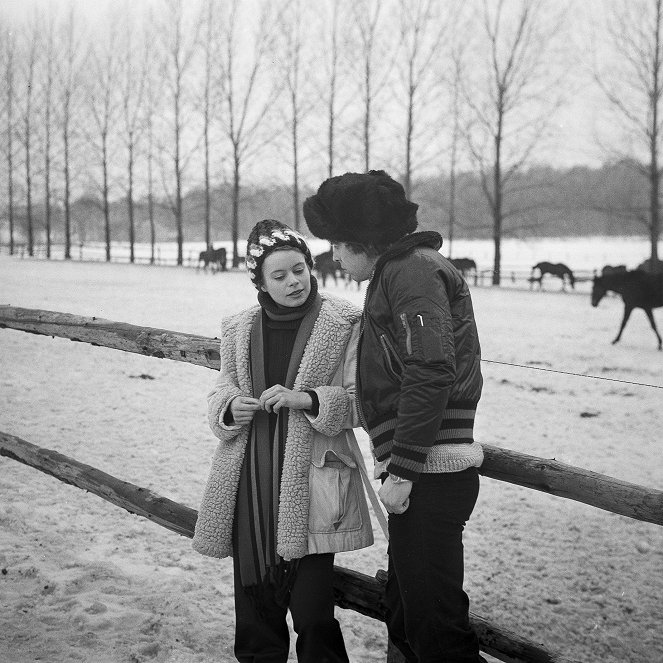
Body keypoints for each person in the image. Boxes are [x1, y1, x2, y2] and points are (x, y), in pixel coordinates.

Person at [303, 170, 486, 663]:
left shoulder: (412, 272)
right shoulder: (398, 274)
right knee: (407, 617)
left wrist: (403, 469)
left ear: (362, 240)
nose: (335, 257)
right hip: (422, 470)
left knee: (437, 632)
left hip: (428, 473)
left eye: (338, 244)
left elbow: (430, 368)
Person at [192, 219, 373, 663]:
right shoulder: (238, 328)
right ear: (259, 282)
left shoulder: (345, 322)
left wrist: (307, 398)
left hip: (312, 484)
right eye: (279, 275)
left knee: (313, 616)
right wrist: (229, 408)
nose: (293, 281)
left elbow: (362, 406)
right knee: (255, 618)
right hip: (249, 487)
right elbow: (222, 389)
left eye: (299, 269)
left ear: (311, 266)